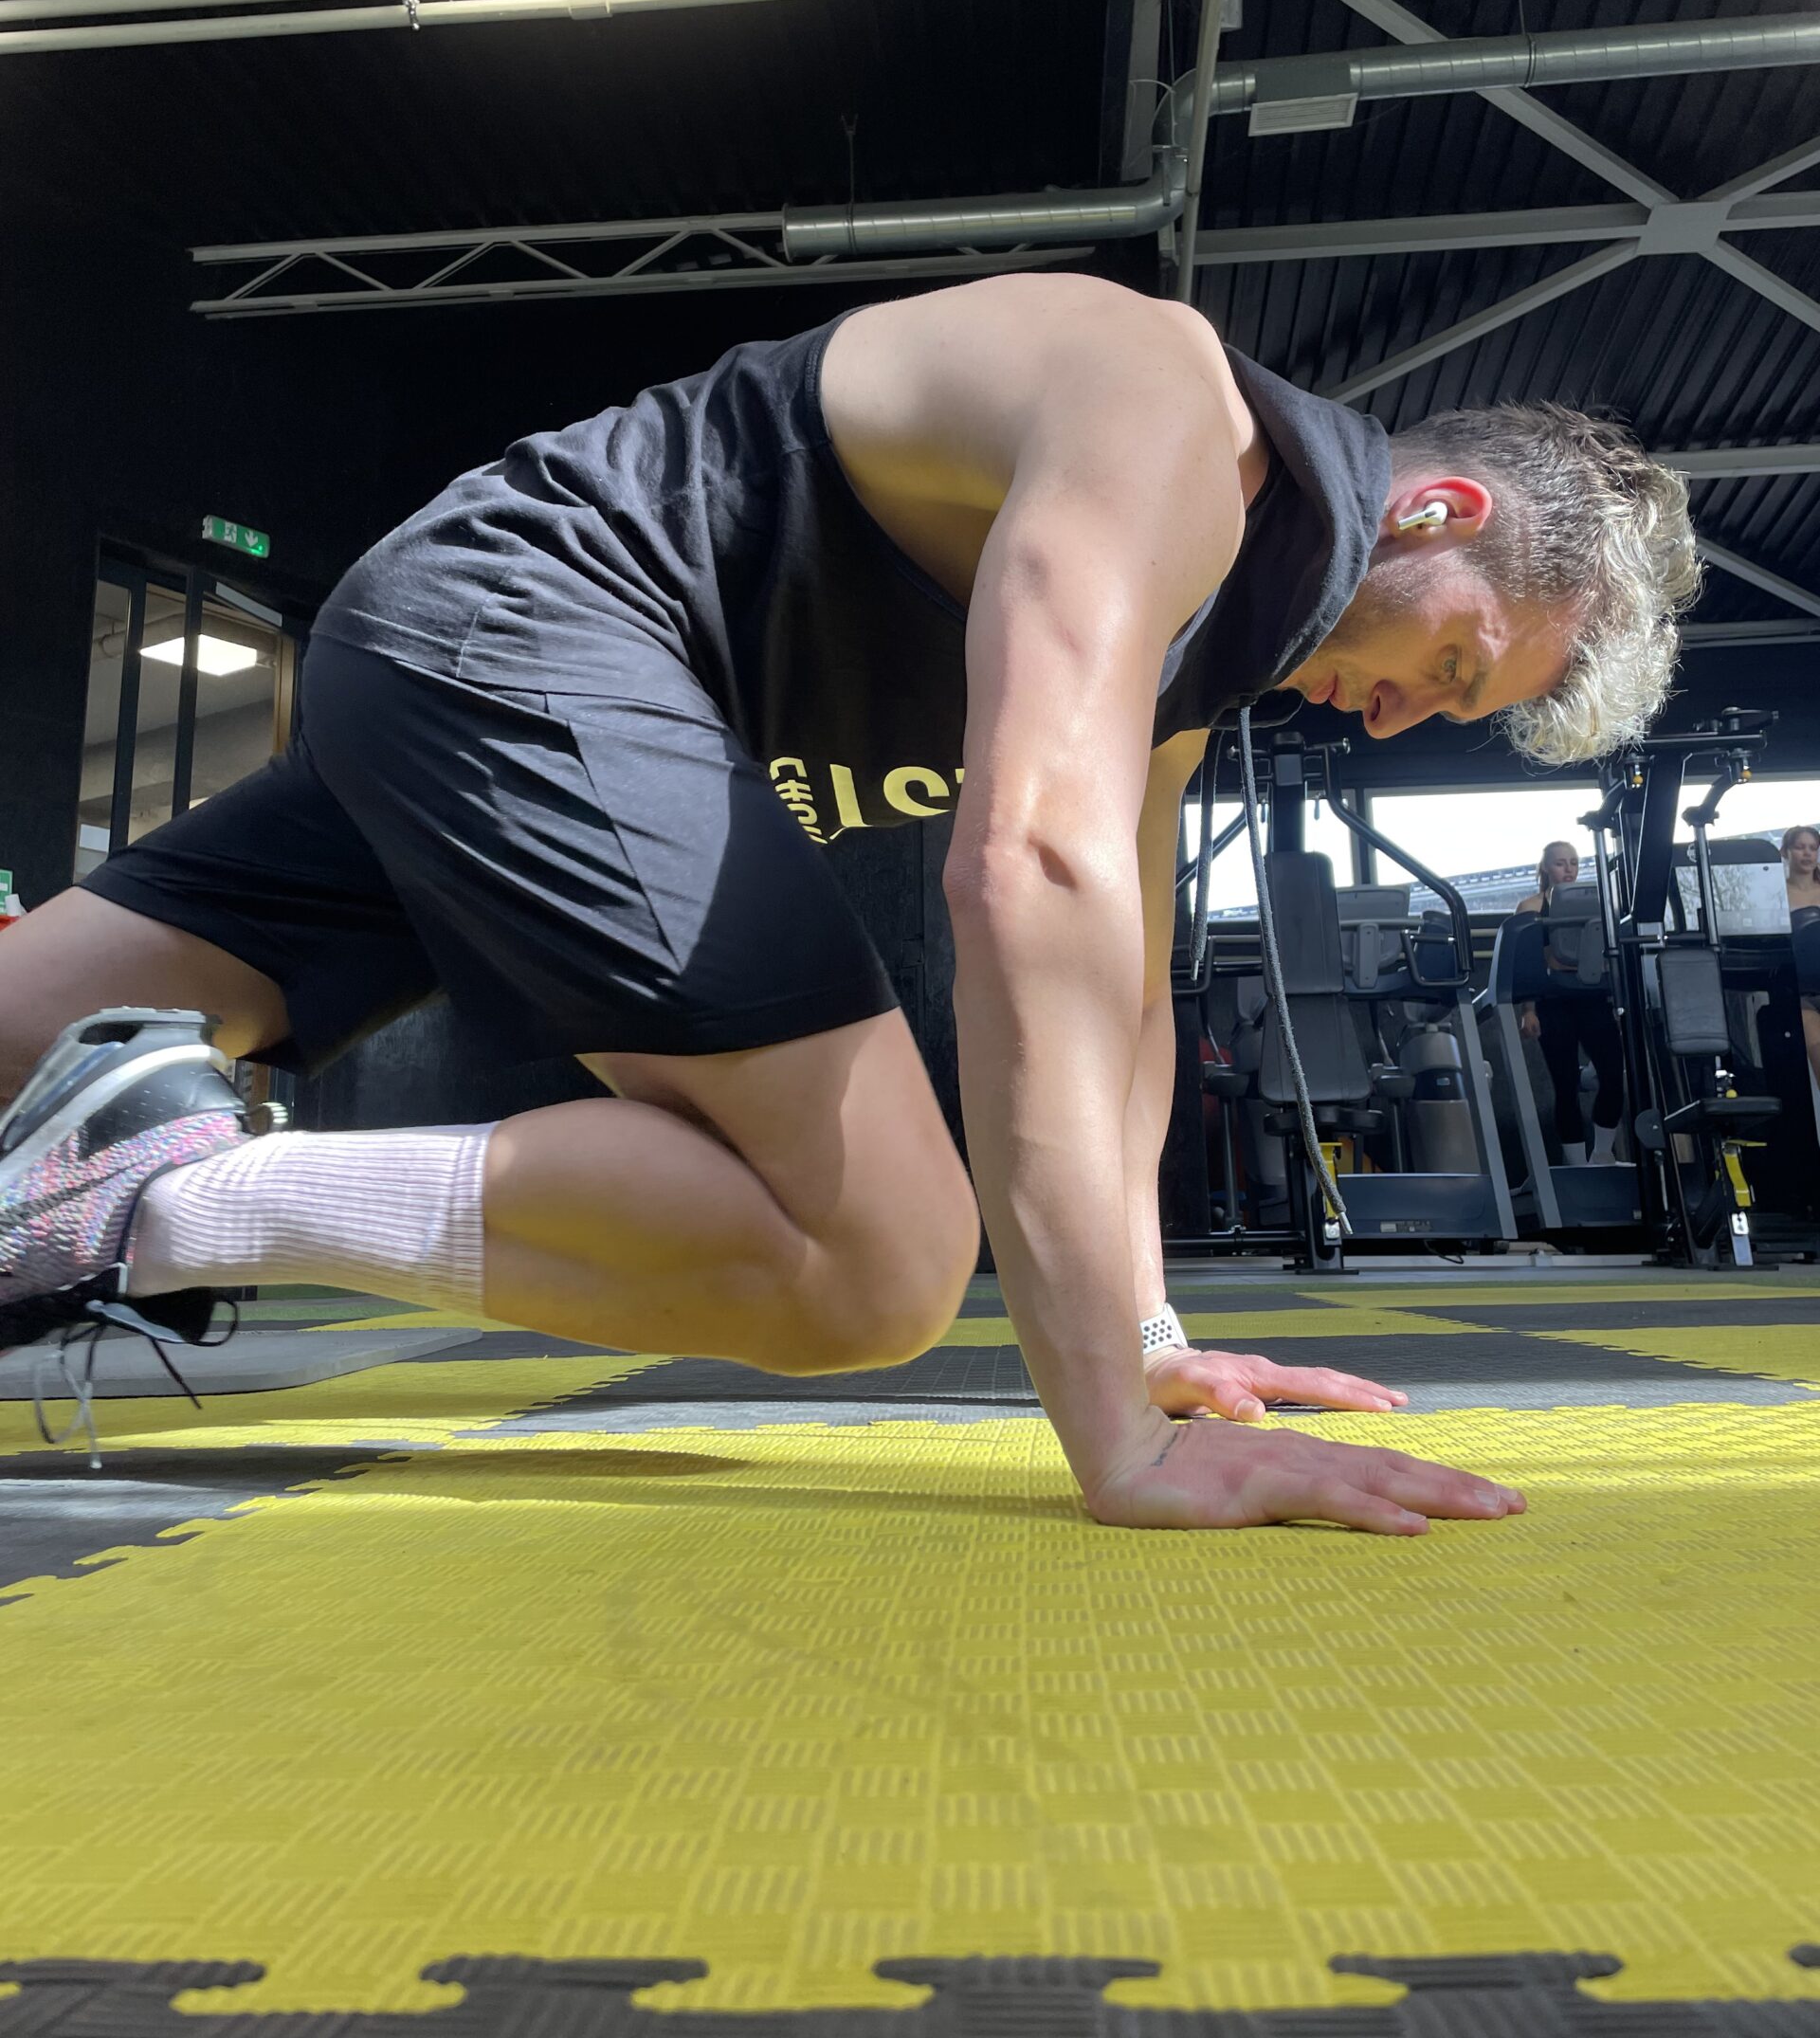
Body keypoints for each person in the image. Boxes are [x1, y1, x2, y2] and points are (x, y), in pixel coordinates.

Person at [0, 275, 1699, 1534]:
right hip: (541, 626)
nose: (1401, 716)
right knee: (877, 1259)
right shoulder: (1171, 409)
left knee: (20, 1038)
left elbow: (1121, 996)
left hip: (467, 654)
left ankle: (78, 1161)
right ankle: (162, 1200)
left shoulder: (1203, 651)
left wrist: (1149, 1334)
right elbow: (1028, 871)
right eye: (1454, 664)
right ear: (1438, 513)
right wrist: (1121, 1441)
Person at [1517, 839, 1627, 1164]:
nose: (1568, 869)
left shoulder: (1597, 905)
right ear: (1545, 868)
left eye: (1574, 862)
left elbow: (1610, 956)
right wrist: (1528, 1010)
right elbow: (1529, 963)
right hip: (1553, 1000)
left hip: (1592, 996)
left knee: (1614, 1075)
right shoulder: (1530, 908)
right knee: (1564, 1086)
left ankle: (1602, 1154)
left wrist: (1618, 1002)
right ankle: (1578, 1166)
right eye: (1560, 863)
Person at [1782, 823, 1820, 1090]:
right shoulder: (1777, 893)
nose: (1807, 853)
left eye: (1813, 848)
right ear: (1785, 851)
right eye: (1800, 847)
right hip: (1800, 990)